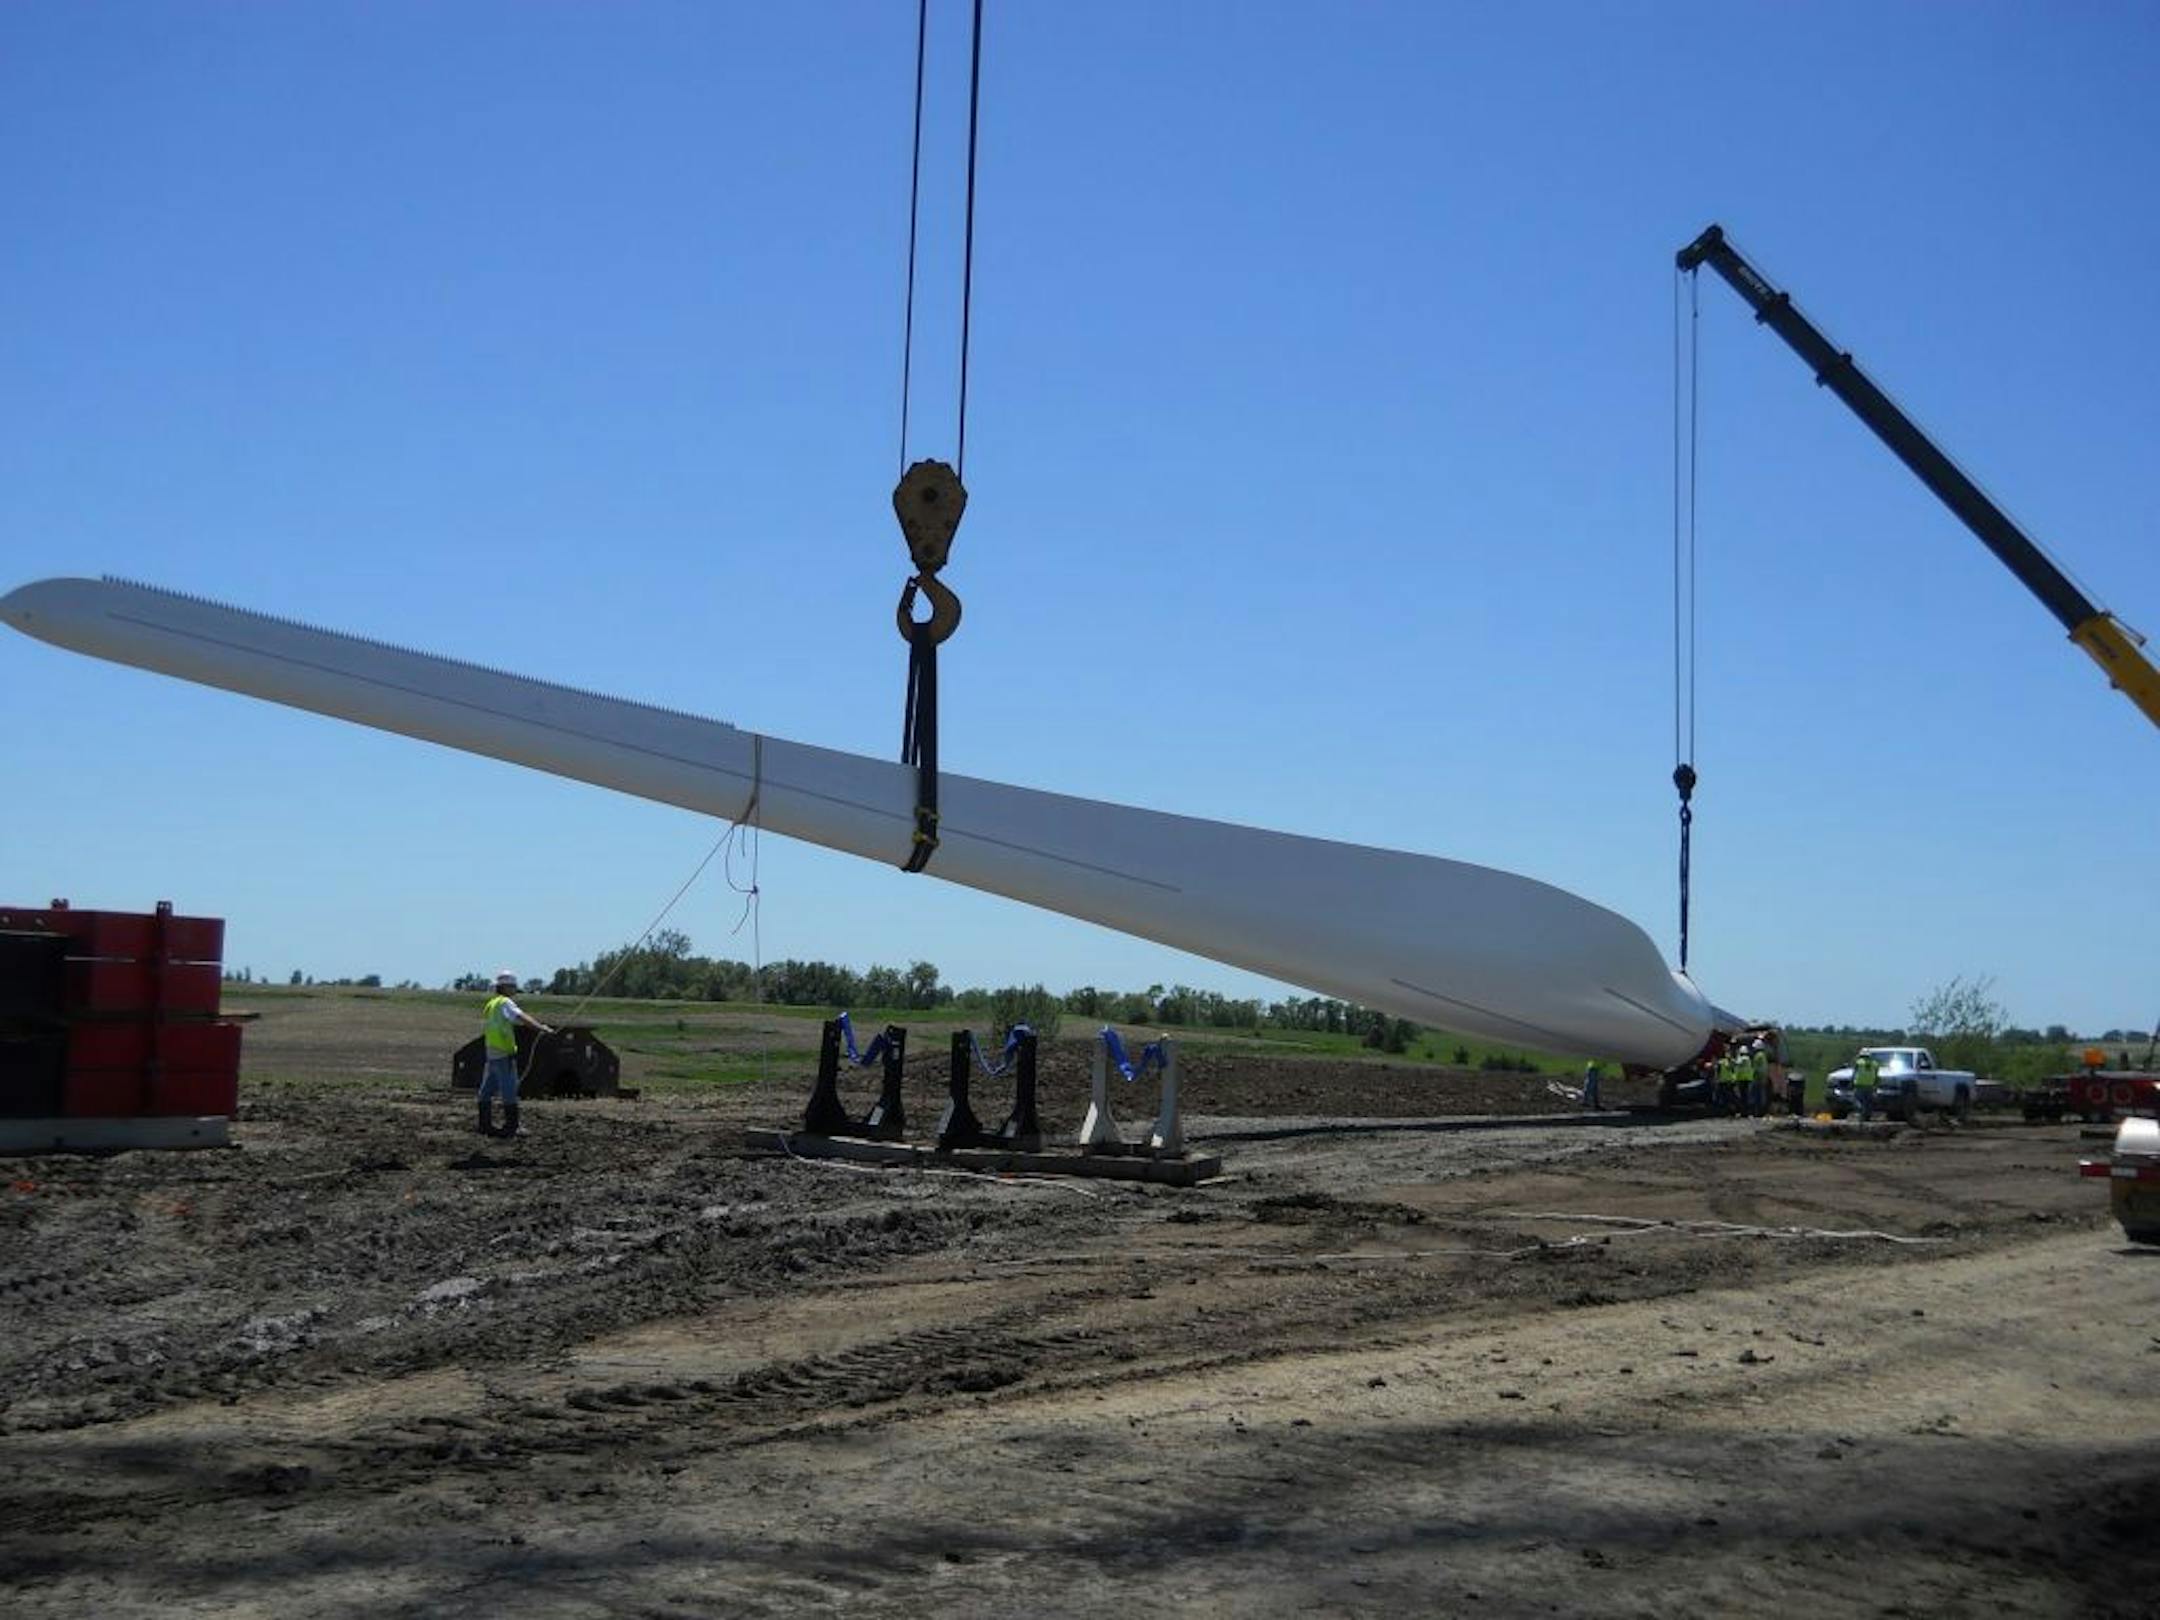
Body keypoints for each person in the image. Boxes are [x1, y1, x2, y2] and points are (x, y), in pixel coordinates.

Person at [478, 970, 552, 1139]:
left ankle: (484, 1125)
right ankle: (512, 1126)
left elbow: (510, 1020)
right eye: (513, 987)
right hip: (504, 1053)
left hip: (492, 1053)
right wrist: (541, 1028)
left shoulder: (492, 1004)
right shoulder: (505, 1003)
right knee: (509, 1090)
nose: (514, 990)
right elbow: (521, 1016)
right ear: (507, 987)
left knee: (486, 1091)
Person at [1852, 1050, 1880, 1123]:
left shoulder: (1858, 1062)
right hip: (1870, 1085)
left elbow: (1854, 1073)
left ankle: (1861, 1110)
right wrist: (1876, 1085)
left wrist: (1852, 1082)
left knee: (1857, 1099)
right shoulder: (1875, 1063)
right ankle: (1867, 1116)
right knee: (1868, 1102)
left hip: (1859, 1084)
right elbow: (1877, 1075)